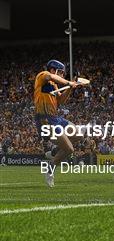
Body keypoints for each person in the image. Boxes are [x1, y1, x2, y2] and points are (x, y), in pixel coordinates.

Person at [34, 59, 85, 187]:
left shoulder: (55, 85)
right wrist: (68, 82)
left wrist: (70, 88)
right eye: (61, 72)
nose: (62, 75)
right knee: (69, 149)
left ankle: (54, 151)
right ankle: (50, 169)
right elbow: (51, 76)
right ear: (53, 69)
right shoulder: (43, 75)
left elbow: (61, 101)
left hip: (55, 118)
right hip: (44, 119)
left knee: (78, 135)